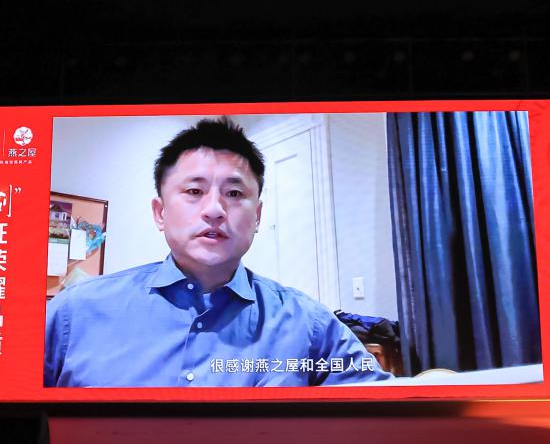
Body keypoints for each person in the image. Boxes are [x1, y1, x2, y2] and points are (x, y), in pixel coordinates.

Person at [45, 118, 393, 387]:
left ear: (258, 216)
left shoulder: (310, 325)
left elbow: (384, 413)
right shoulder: (74, 312)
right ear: (160, 212)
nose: (214, 209)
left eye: (234, 194)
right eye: (194, 191)